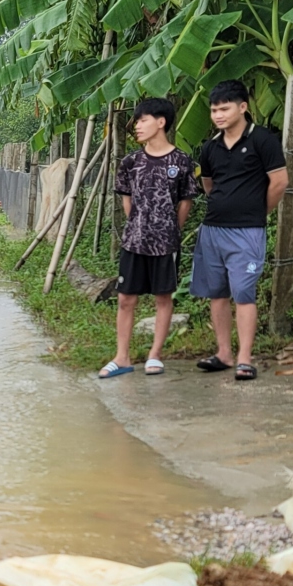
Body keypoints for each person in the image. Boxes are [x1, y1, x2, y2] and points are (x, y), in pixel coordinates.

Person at [191, 79, 288, 381]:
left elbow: (280, 182)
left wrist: (259, 212)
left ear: (243, 107)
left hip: (247, 231)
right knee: (216, 293)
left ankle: (245, 358)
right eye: (213, 110)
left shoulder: (263, 140)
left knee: (244, 293)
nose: (218, 115)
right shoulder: (210, 147)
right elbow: (209, 185)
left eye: (224, 108)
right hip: (212, 230)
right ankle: (224, 354)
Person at [99, 98, 198, 379]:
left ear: (161, 122)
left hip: (165, 244)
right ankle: (122, 357)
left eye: (142, 120)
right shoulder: (131, 162)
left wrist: (168, 230)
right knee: (125, 299)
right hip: (133, 242)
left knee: (163, 298)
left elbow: (185, 203)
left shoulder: (181, 161)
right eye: (137, 121)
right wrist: (139, 226)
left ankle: (155, 355)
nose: (137, 126)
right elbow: (126, 201)